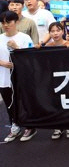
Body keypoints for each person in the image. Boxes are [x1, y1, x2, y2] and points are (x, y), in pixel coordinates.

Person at [1, 11, 35, 142]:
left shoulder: (24, 37)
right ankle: (14, 126)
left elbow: (30, 57)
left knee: (24, 102)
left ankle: (30, 126)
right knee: (9, 103)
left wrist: (16, 48)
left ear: (16, 22)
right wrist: (3, 63)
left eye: (8, 22)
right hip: (4, 77)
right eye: (3, 23)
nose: (6, 25)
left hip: (22, 76)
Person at [44, 22, 69, 139]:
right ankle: (58, 126)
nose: (55, 33)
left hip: (67, 77)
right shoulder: (47, 47)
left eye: (58, 30)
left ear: (63, 31)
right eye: (52, 31)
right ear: (49, 33)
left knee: (68, 101)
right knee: (55, 102)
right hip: (53, 77)